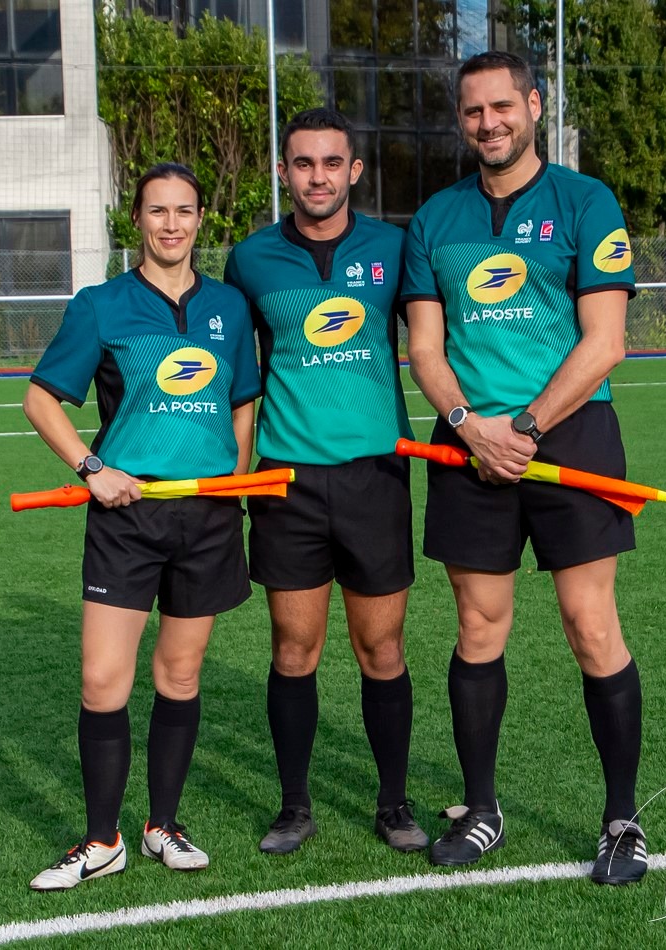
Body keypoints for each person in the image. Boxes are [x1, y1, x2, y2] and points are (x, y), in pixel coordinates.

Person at [401, 51, 648, 884]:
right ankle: (482, 809)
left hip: (571, 434)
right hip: (469, 444)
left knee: (591, 627)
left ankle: (622, 818)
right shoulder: (435, 219)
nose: (488, 124)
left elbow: (605, 341)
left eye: (502, 107)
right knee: (478, 630)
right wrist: (474, 428)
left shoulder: (585, 202)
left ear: (534, 106)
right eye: (473, 112)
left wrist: (530, 427)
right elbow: (425, 351)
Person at [22, 163, 261, 889]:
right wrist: (93, 469)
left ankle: (163, 823)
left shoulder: (230, 307)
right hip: (126, 517)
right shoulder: (101, 305)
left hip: (208, 516)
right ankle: (102, 839)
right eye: (157, 211)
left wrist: (236, 482)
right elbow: (41, 400)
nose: (171, 225)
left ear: (200, 219)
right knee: (103, 681)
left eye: (184, 211)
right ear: (137, 220)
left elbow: (243, 399)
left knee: (180, 674)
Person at [223, 108, 426, 855]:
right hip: (287, 480)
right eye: (303, 164)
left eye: (331, 163)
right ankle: (295, 806)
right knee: (292, 650)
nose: (318, 177)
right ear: (284, 171)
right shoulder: (250, 260)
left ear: (355, 171)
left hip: (375, 474)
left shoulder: (394, 250)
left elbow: (446, 337)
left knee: (383, 651)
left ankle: (395, 803)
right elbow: (231, 372)